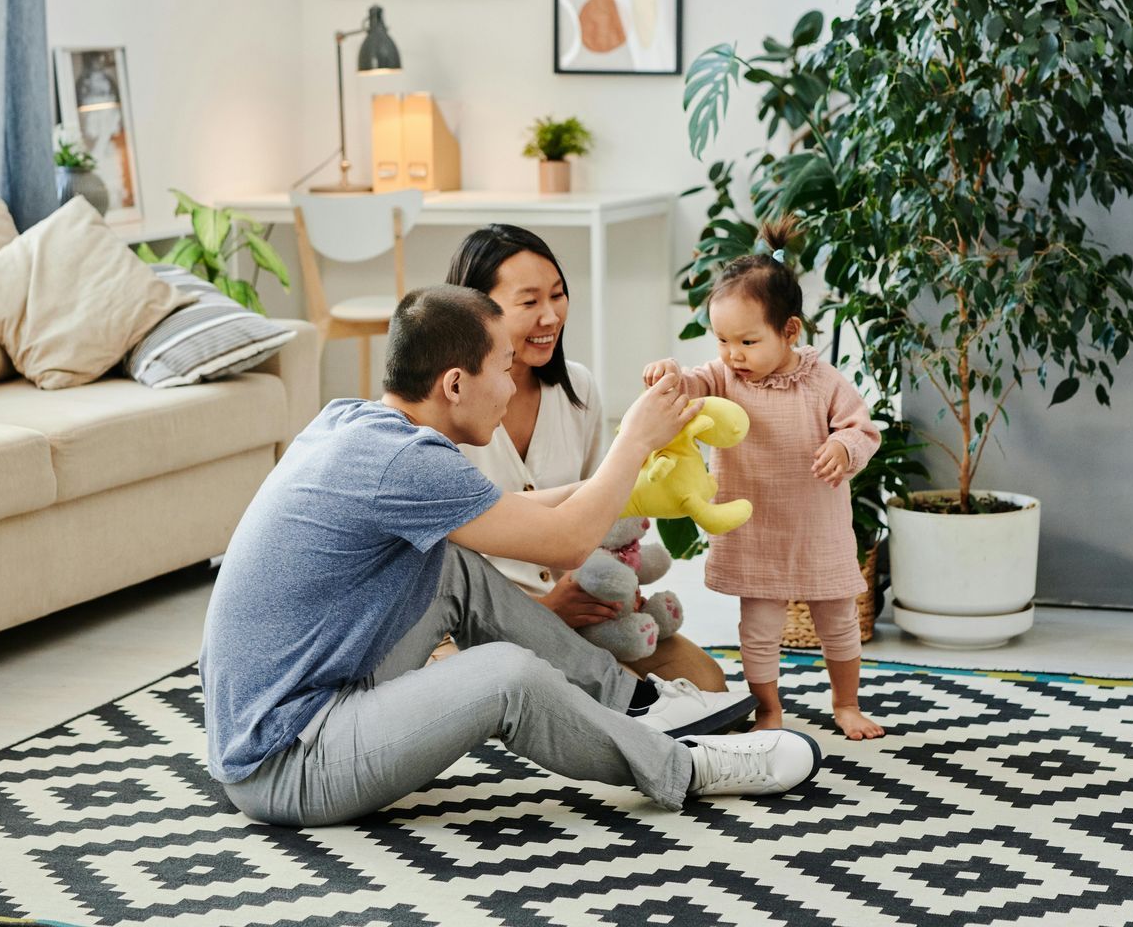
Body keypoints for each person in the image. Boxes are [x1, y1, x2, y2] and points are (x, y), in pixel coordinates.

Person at [202, 285, 822, 826]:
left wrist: (628, 480)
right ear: (454, 384)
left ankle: (634, 703)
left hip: (309, 704)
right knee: (505, 676)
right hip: (286, 760)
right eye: (504, 368)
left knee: (450, 567)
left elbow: (514, 513)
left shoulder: (359, 424)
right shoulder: (406, 462)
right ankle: (683, 769)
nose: (511, 383)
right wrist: (632, 439)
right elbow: (567, 543)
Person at [446, 224, 728, 692]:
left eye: (558, 295)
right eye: (530, 302)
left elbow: (606, 508)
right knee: (633, 706)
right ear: (478, 311)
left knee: (708, 688)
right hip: (485, 629)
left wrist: (610, 583)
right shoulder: (447, 412)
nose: (552, 316)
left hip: (585, 608)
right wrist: (540, 612)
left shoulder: (577, 389)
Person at [642, 231, 884, 740]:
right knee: (758, 630)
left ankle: (845, 703)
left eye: (748, 341)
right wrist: (669, 374)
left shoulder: (822, 381)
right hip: (756, 528)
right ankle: (769, 708)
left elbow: (861, 427)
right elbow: (691, 384)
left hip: (818, 526)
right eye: (723, 341)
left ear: (790, 330)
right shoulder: (723, 375)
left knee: (838, 621)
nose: (733, 354)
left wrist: (843, 448)